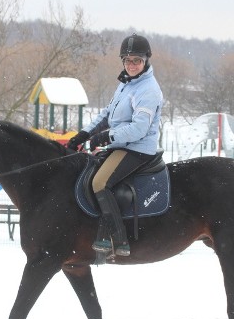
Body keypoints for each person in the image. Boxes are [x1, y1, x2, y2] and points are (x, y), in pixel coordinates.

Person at [66, 33, 163, 257]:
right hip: (120, 144)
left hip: (138, 149)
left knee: (100, 182)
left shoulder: (147, 89)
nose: (131, 65)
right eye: (127, 60)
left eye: (136, 60)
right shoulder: (126, 85)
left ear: (146, 60)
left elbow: (139, 128)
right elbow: (107, 114)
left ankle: (117, 239)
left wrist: (106, 137)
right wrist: (84, 134)